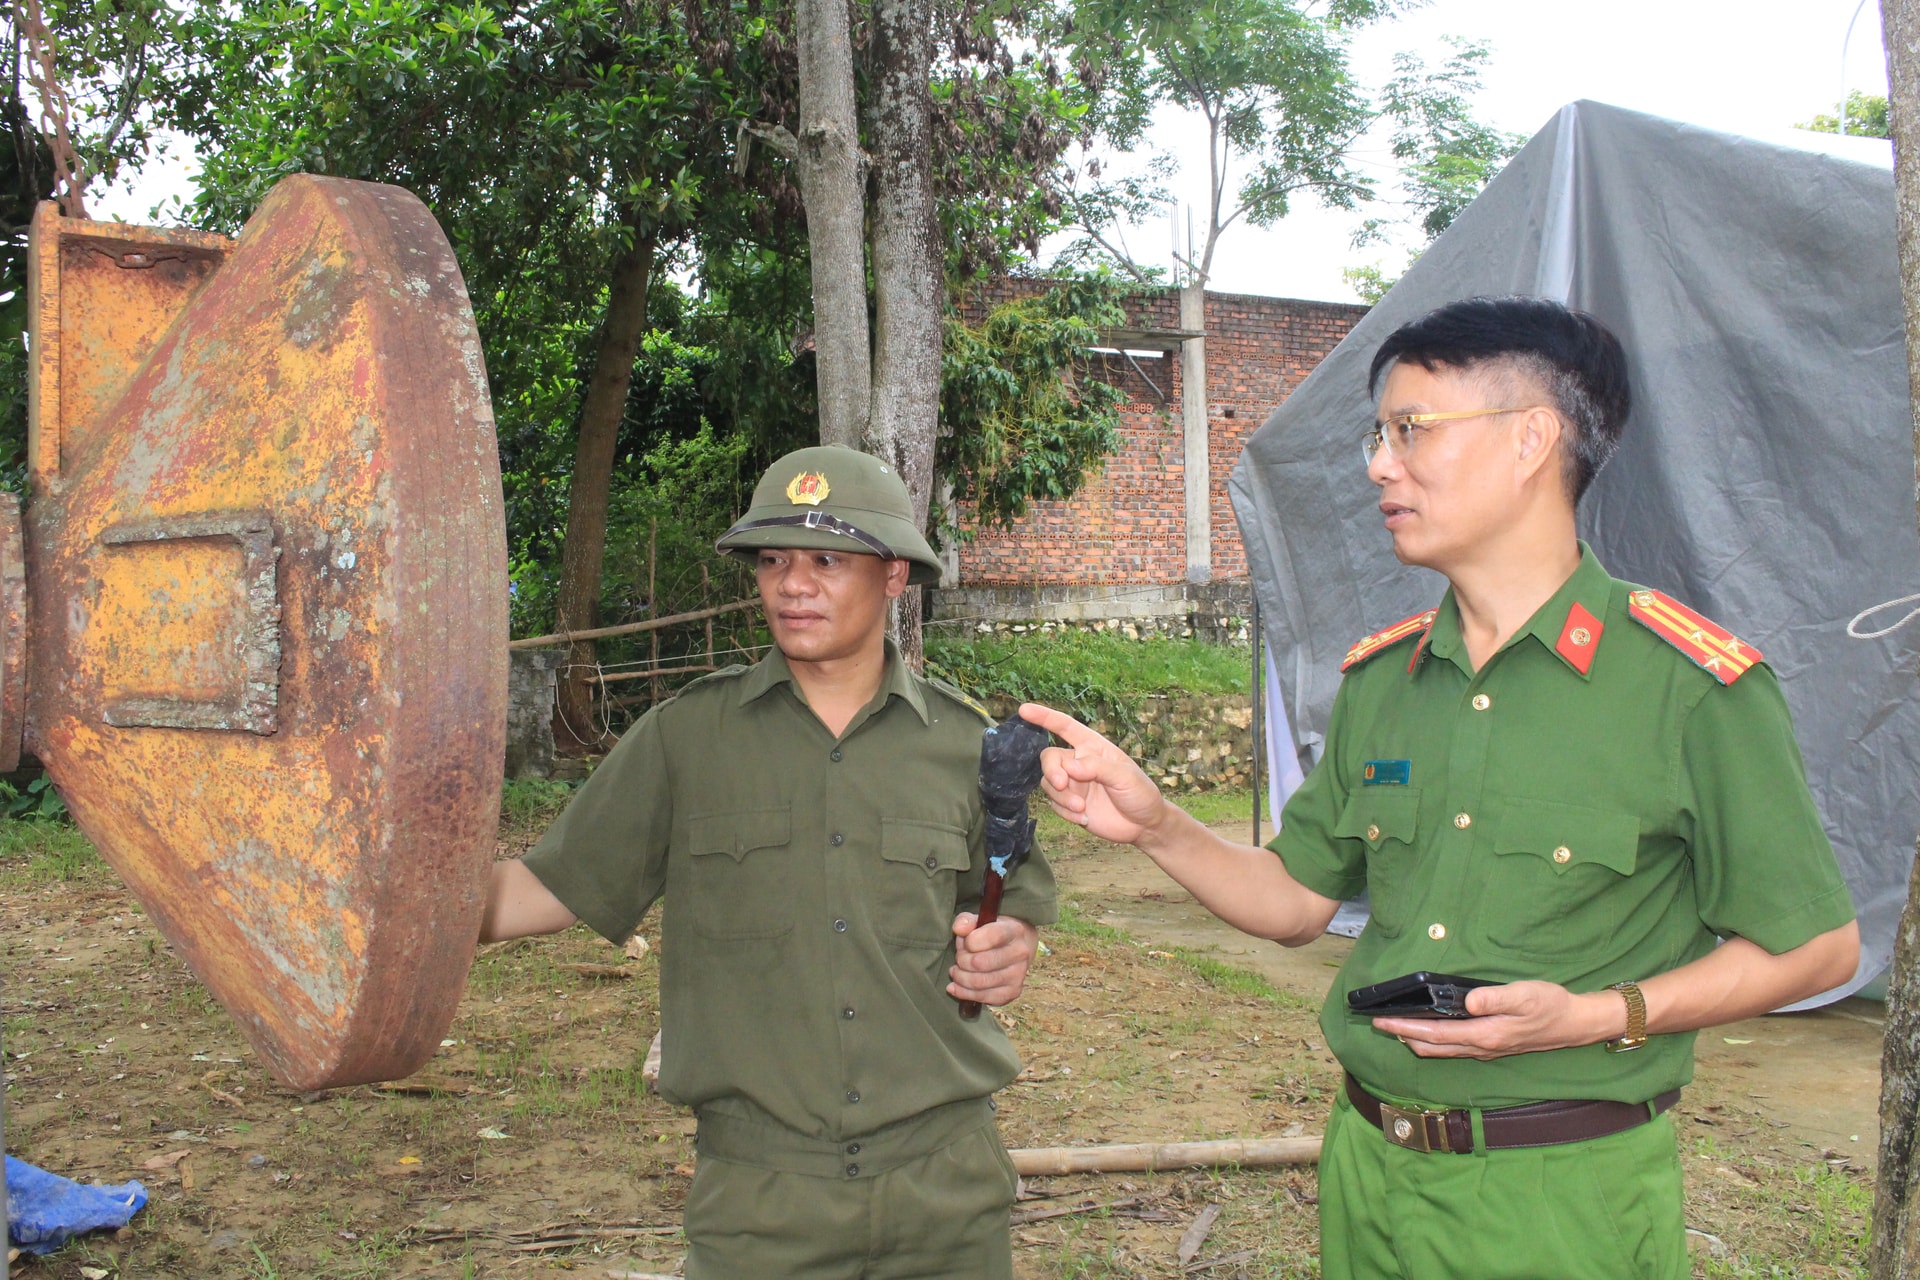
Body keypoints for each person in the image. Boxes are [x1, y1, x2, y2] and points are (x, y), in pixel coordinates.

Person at [1021, 295, 1859, 1280]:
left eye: (1412, 430)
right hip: (1370, 1172)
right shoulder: (1388, 679)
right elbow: (1296, 898)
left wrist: (1596, 1015)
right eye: (1379, 434)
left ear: (1531, 441)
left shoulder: (1689, 686)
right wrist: (1159, 822)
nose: (1380, 463)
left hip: (1563, 1197)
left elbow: (1817, 946)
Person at [482, 444, 1056, 1280]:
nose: (793, 584)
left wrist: (1014, 946)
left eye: (827, 560)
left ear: (894, 576)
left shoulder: (966, 745)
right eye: (775, 560)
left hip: (948, 1190)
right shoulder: (688, 738)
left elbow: (1010, 902)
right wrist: (397, 925)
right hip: (761, 1204)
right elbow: (548, 886)